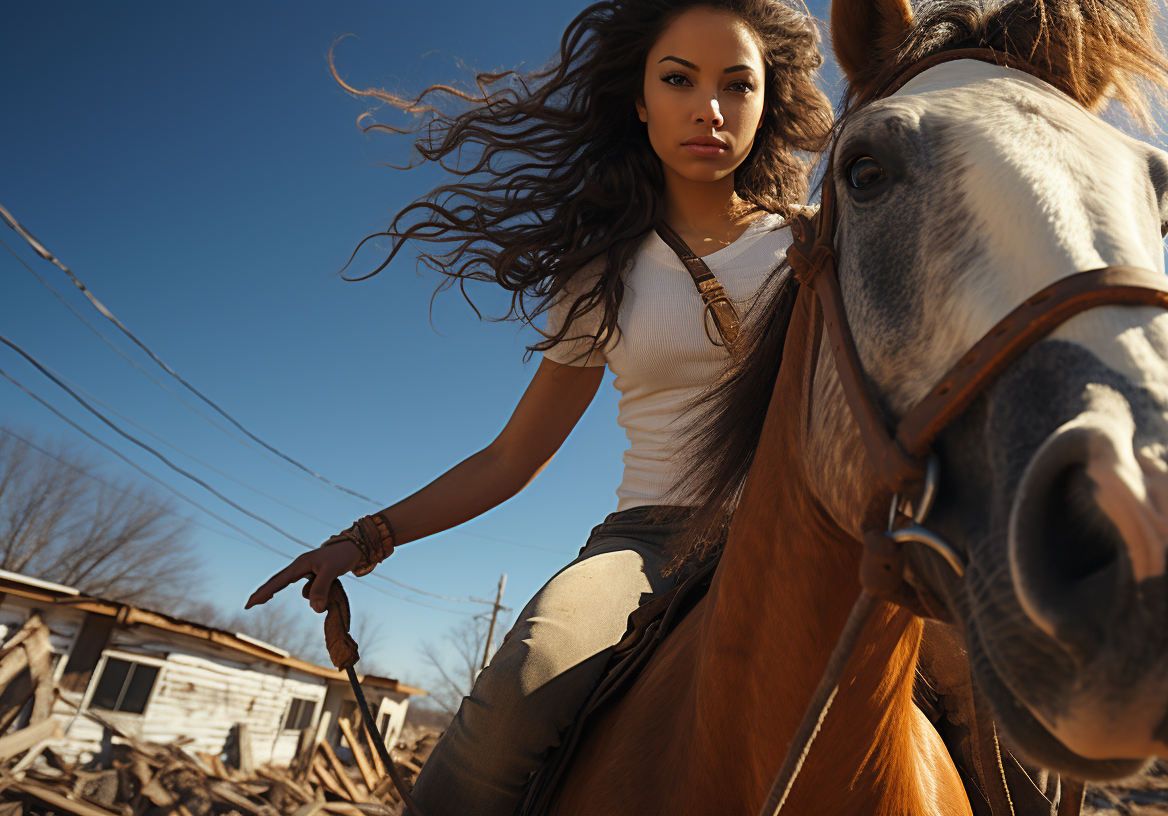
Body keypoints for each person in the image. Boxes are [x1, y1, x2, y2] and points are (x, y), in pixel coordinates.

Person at [246, 1, 832, 812]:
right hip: (650, 546)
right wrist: (364, 538)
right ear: (639, 99)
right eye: (678, 79)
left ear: (768, 103)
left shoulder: (819, 245)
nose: (710, 107)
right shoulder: (601, 276)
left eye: (739, 85)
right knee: (524, 681)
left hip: (816, 532)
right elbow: (512, 458)